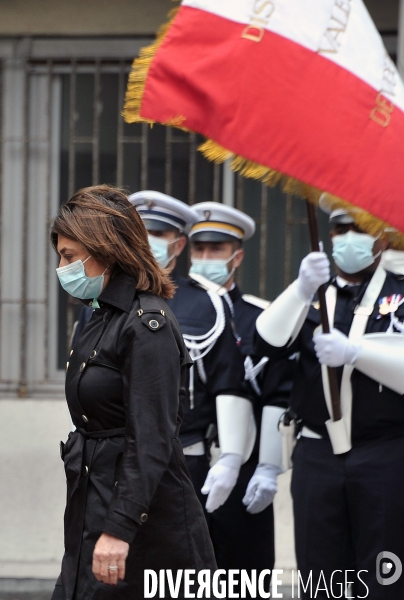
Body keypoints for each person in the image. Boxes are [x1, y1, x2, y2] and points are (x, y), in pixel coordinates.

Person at [50, 185, 216, 600]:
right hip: (95, 506)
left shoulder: (147, 324)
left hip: (145, 530)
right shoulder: (98, 318)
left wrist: (118, 529)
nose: (62, 266)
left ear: (103, 249)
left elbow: (152, 439)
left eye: (70, 256)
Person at [255, 199, 404, 599]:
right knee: (321, 581)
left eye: (361, 228)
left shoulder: (399, 292)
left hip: (385, 456)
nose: (348, 239)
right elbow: (266, 343)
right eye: (340, 230)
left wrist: (358, 354)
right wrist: (300, 288)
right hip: (318, 457)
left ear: (382, 235)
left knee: (386, 579)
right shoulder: (311, 294)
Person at [128, 192, 255, 522]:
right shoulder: (102, 300)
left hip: (182, 456)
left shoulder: (206, 305)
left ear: (178, 245)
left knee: (177, 571)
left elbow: (229, 382)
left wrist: (230, 456)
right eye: (140, 234)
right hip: (116, 457)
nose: (147, 243)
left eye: (157, 235)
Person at [187, 202, 292, 576]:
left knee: (244, 577)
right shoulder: (172, 313)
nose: (205, 258)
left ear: (237, 256)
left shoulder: (262, 318)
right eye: (198, 249)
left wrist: (269, 466)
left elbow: (279, 393)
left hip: (245, 470)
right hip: (188, 464)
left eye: (215, 249)